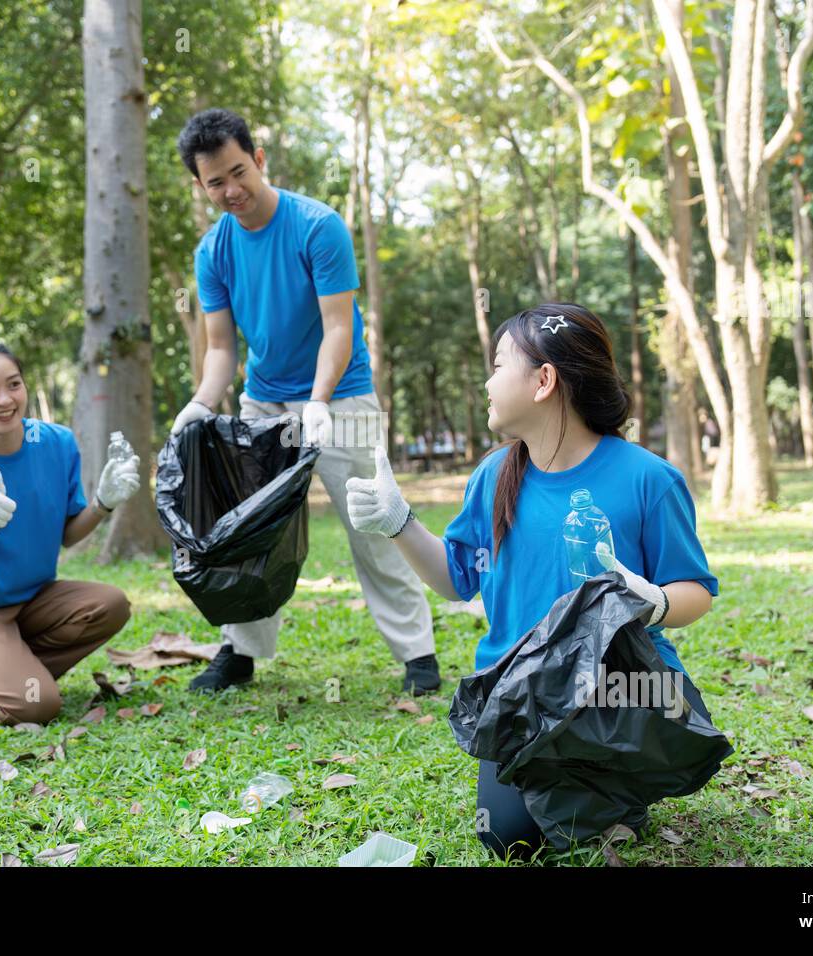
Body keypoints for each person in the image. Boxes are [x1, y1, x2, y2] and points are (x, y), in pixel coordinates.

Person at [345, 303, 719, 860]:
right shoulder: (493, 476)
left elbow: (697, 591)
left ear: (544, 380)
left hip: (618, 691)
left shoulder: (648, 479)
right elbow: (455, 580)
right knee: (507, 836)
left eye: (499, 365)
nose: (488, 382)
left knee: (576, 828)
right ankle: (594, 793)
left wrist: (655, 601)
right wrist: (398, 524)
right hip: (521, 696)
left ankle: (619, 787)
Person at [171, 107, 437, 695]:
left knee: (373, 524)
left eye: (240, 172)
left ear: (259, 160)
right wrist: (200, 404)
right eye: (216, 182)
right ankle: (241, 650)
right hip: (262, 405)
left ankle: (418, 654)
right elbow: (220, 349)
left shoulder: (318, 227)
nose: (232, 190)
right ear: (200, 184)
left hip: (340, 398)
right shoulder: (212, 252)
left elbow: (337, 328)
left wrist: (317, 401)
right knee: (246, 533)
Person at [0, 341, 140, 725]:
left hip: (33, 601)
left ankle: (0, 667)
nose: (4, 400)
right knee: (37, 706)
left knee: (110, 604)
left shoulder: (58, 443)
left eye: (13, 384)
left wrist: (103, 503)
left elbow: (68, 534)